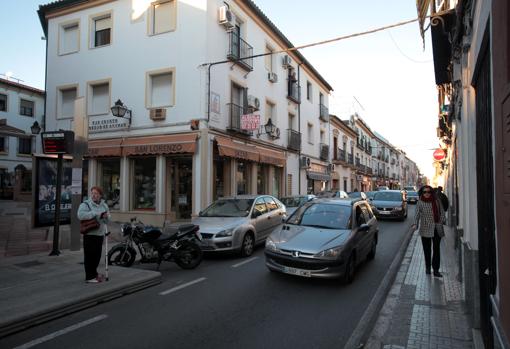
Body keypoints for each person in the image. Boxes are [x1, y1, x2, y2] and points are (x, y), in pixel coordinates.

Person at [411, 185, 446, 277]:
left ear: (431, 193)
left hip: (437, 228)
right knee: (427, 250)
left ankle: (436, 270)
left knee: (436, 250)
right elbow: (416, 214)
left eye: (428, 192)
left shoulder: (436, 201)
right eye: (424, 192)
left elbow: (442, 212)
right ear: (422, 193)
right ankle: (427, 267)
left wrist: (441, 221)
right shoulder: (420, 202)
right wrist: (415, 224)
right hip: (425, 228)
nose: (426, 194)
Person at [77, 186, 110, 283]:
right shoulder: (85, 204)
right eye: (92, 193)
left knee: (97, 256)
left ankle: (94, 273)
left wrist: (106, 217)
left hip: (100, 234)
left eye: (96, 193)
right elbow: (80, 215)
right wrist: (95, 213)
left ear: (100, 195)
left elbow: (107, 220)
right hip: (90, 234)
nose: (94, 195)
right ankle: (89, 277)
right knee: (89, 256)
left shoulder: (104, 205)